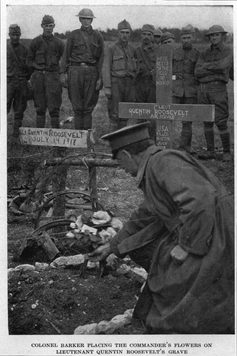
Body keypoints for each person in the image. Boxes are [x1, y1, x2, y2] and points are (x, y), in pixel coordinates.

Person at [89, 122, 234, 334]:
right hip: (204, 229)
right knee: (165, 271)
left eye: (121, 163)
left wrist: (187, 247)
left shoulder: (164, 162)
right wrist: (112, 246)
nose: (123, 169)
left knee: (183, 283)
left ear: (128, 155)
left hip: (217, 231)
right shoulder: (154, 168)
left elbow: (200, 201)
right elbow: (144, 217)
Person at [60, 8, 104, 130]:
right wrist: (63, 73)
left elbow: (101, 59)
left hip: (92, 72)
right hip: (75, 71)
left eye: (89, 19)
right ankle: (78, 136)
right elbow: (66, 55)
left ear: (92, 20)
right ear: (80, 19)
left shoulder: (97, 36)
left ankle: (86, 137)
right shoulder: (73, 35)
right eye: (84, 18)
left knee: (89, 105)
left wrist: (100, 77)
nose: (86, 21)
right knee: (77, 104)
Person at [195, 25, 233, 161]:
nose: (214, 37)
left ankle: (227, 152)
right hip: (203, 89)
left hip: (218, 89)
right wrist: (215, 70)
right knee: (207, 120)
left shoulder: (228, 51)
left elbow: (223, 65)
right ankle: (210, 150)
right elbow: (197, 72)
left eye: (216, 35)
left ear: (221, 36)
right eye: (211, 35)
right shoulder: (204, 53)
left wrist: (207, 67)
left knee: (221, 120)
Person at [26, 15, 65, 129]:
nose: (48, 28)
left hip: (53, 77)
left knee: (54, 107)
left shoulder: (59, 43)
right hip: (38, 77)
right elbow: (29, 60)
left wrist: (62, 74)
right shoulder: (35, 42)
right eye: (46, 26)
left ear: (54, 26)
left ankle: (55, 136)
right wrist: (36, 67)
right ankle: (40, 135)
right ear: (42, 26)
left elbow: (64, 61)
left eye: (50, 26)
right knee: (39, 107)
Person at [103, 19, 136, 131]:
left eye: (127, 32)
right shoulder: (111, 48)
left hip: (129, 84)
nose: (124, 35)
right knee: (114, 113)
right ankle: (112, 140)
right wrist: (107, 87)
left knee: (125, 112)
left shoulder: (132, 49)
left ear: (130, 34)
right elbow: (106, 67)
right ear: (118, 33)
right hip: (116, 83)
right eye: (122, 32)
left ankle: (122, 139)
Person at [172, 25, 200, 153]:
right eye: (184, 38)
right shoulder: (174, 53)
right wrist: (173, 78)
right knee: (169, 116)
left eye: (189, 37)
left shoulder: (198, 54)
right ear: (181, 38)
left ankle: (185, 147)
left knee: (187, 120)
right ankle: (167, 144)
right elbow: (169, 71)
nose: (186, 40)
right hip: (175, 90)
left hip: (190, 91)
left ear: (193, 38)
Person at [7, 24, 31, 138]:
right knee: (3, 108)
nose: (15, 37)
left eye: (17, 35)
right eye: (13, 35)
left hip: (22, 82)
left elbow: (30, 68)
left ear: (20, 35)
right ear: (9, 35)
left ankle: (16, 135)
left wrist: (26, 79)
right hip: (8, 83)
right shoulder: (4, 49)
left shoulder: (25, 49)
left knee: (19, 109)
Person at [134, 24, 157, 141]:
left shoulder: (159, 51)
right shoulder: (136, 51)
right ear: (141, 36)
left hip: (153, 85)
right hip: (140, 84)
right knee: (140, 113)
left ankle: (152, 139)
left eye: (149, 34)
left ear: (153, 36)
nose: (146, 37)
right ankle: (141, 140)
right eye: (144, 34)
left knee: (152, 113)